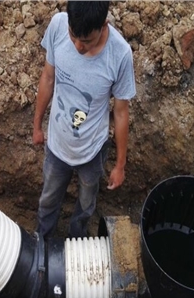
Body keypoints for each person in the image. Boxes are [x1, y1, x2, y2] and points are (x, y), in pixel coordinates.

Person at [32, 1, 136, 240]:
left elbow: (121, 113)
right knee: (48, 200)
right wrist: (37, 126)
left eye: (86, 41)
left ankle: (77, 243)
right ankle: (41, 242)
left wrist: (120, 166)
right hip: (57, 146)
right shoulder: (58, 26)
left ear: (103, 25)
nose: (78, 46)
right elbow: (48, 78)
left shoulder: (119, 55)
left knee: (86, 204)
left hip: (91, 152)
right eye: (73, 36)